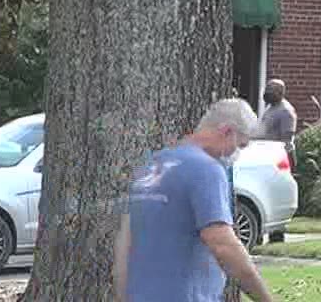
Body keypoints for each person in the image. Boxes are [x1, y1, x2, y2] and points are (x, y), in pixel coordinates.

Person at [114, 98, 274, 302]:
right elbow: (222, 244)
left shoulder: (152, 165)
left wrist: (122, 295)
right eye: (240, 145)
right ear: (227, 132)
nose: (236, 154)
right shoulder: (206, 169)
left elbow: (125, 241)